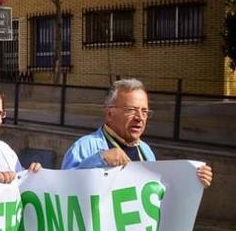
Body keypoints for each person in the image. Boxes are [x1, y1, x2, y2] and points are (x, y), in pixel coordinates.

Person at [62, 78, 213, 187]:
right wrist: (99, 159)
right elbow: (63, 189)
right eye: (131, 110)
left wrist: (193, 181)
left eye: (145, 111)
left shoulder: (146, 151)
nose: (140, 118)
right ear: (109, 113)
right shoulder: (83, 147)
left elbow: (157, 193)